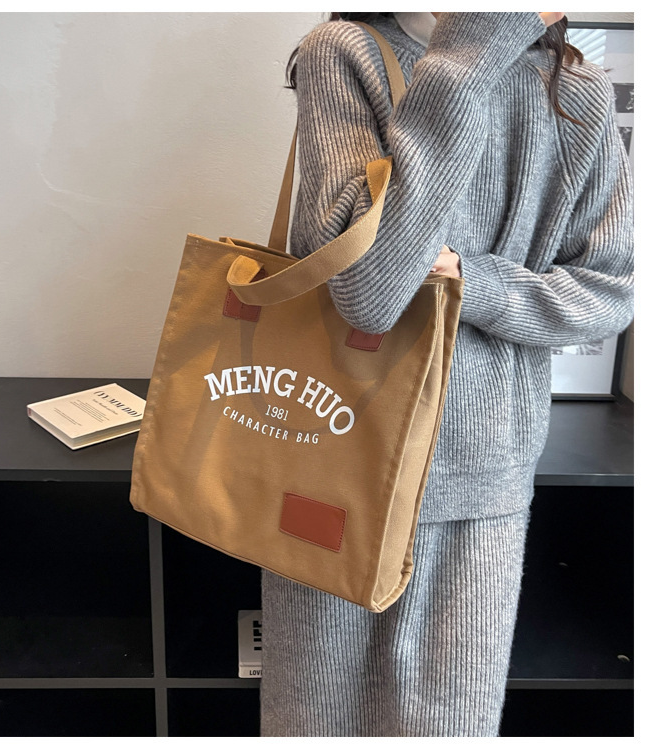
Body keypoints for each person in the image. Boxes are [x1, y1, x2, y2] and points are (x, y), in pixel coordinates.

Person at [260, 12, 634, 737]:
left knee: (448, 727)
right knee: (313, 721)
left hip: (483, 470)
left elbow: (609, 293)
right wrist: (469, 54)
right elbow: (370, 293)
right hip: (336, 452)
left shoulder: (574, 89)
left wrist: (470, 280)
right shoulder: (345, 53)